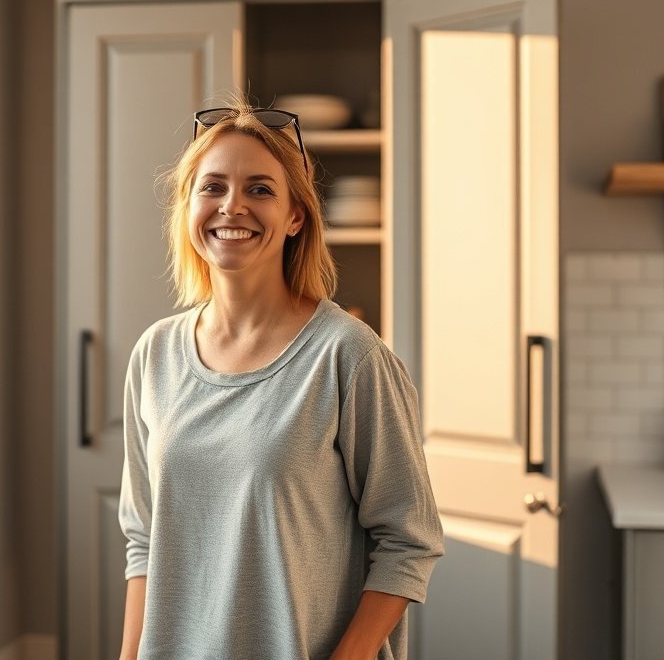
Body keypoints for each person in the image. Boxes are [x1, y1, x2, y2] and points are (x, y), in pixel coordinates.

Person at [118, 95, 444, 660]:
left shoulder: (348, 355)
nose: (232, 207)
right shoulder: (155, 354)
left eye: (260, 189)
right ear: (188, 206)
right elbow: (145, 541)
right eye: (212, 187)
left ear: (296, 216)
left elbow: (407, 541)